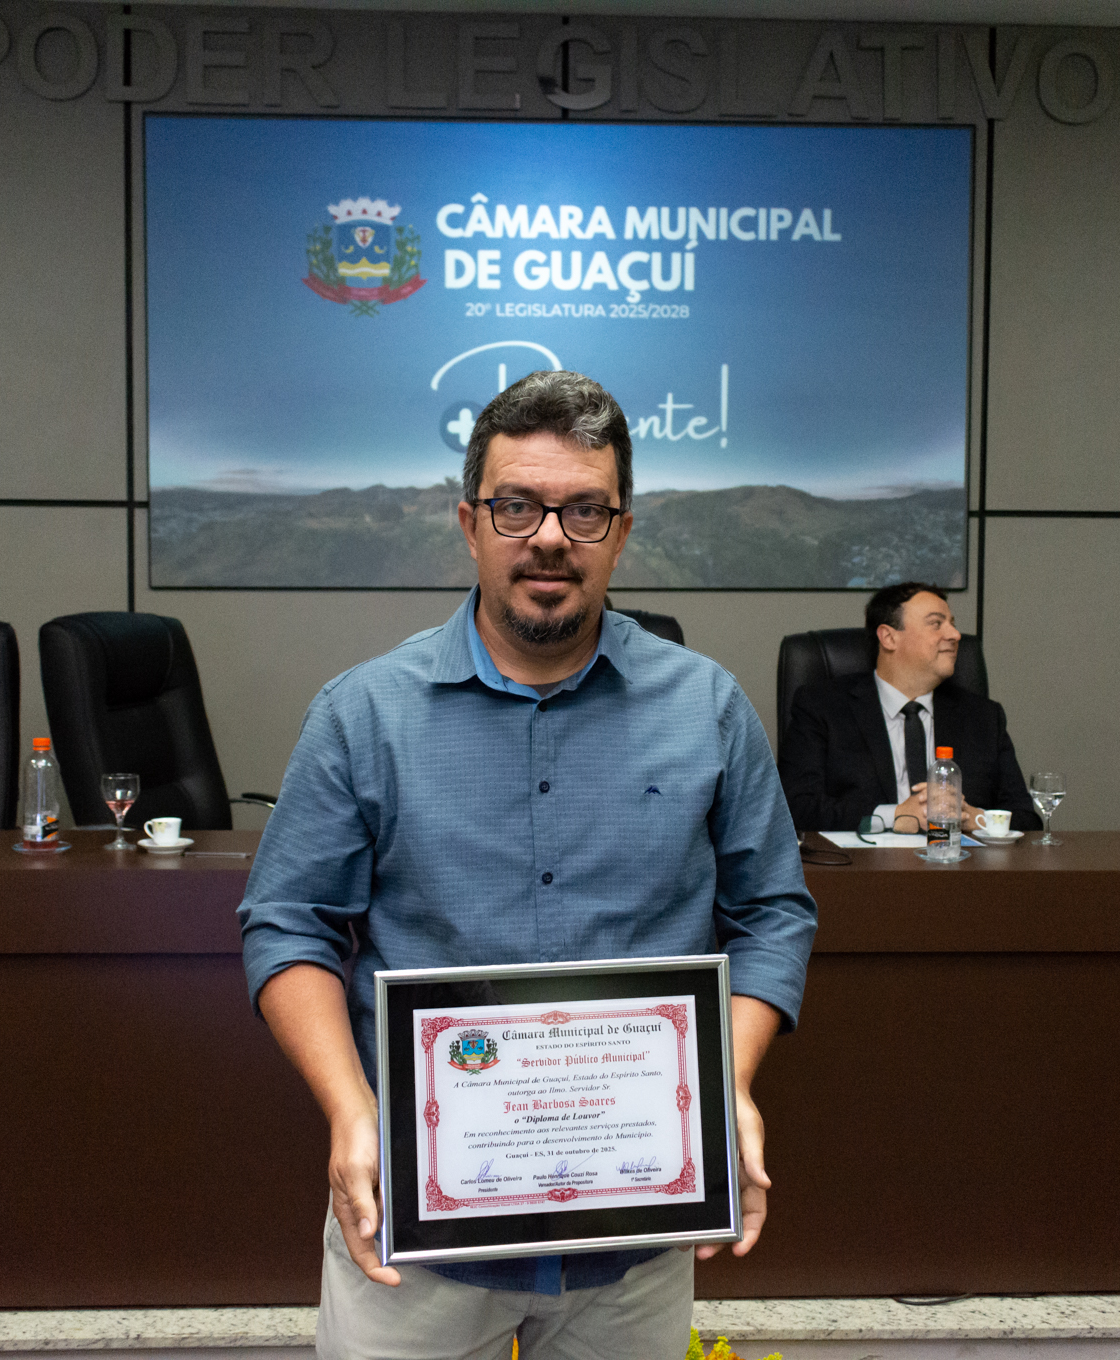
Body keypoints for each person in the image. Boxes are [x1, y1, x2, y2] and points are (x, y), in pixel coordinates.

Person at [239, 371, 817, 1360]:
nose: (550, 537)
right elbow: (288, 924)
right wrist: (350, 1110)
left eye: (585, 510)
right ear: (471, 524)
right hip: (415, 1236)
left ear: (621, 533)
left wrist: (726, 1083)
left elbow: (773, 914)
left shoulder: (707, 708)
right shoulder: (364, 712)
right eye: (517, 506)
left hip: (634, 1236)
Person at [776, 582, 1040, 835]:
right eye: (936, 624)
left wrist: (975, 817)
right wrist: (895, 815)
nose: (955, 635)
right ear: (889, 637)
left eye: (953, 624)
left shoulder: (983, 717)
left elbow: (1027, 820)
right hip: (861, 864)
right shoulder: (822, 707)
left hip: (957, 863)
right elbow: (796, 808)